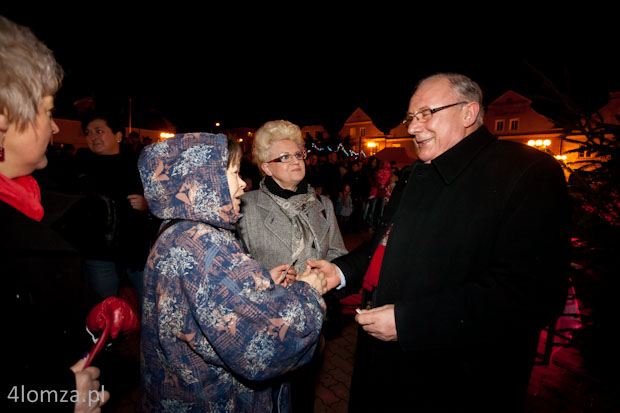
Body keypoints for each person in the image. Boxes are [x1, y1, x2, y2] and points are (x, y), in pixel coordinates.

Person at [310, 73, 571, 412]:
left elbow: (533, 294)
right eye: (410, 118)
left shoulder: (528, 172)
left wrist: (412, 322)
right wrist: (338, 273)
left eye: (426, 114)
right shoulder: (415, 175)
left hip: (459, 380)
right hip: (383, 368)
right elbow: (381, 248)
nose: (413, 128)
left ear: (468, 113)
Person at [138, 132, 327, 412]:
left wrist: (260, 284)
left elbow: (216, 302)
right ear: (203, 180)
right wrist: (308, 290)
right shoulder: (202, 243)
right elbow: (265, 347)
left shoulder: (178, 229)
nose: (242, 184)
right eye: (234, 173)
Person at [0, 15, 108, 412]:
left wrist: (90, 314)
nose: (57, 129)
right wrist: (61, 394)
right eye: (47, 111)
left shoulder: (27, 200)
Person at [236, 120, 348, 412]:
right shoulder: (246, 207)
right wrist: (268, 281)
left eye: (297, 154)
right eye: (283, 158)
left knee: (302, 396)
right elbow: (235, 267)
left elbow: (338, 252)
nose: (295, 161)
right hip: (267, 322)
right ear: (266, 167)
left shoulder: (323, 204)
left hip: (313, 319)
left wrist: (325, 276)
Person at [58, 110, 152, 304]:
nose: (92, 137)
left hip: (135, 251)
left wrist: (146, 204)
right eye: (88, 132)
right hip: (98, 253)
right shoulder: (78, 167)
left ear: (118, 135)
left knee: (150, 307)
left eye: (99, 131)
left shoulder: (139, 165)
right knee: (104, 310)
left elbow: (160, 200)